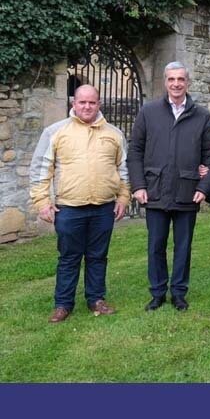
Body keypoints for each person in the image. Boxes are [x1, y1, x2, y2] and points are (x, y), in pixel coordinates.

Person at [29, 85, 130, 323]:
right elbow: (41, 169)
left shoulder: (114, 133)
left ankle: (96, 299)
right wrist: (42, 200)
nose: (87, 107)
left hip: (103, 207)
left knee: (98, 256)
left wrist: (124, 197)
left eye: (92, 103)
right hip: (69, 208)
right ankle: (63, 304)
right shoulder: (55, 132)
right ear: (74, 103)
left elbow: (124, 169)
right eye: (82, 102)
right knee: (69, 257)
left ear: (99, 104)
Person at [127, 61, 210, 312]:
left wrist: (204, 186)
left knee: (183, 246)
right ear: (165, 82)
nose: (176, 84)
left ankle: (179, 292)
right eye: (171, 79)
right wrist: (137, 185)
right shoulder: (149, 112)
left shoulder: (201, 115)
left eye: (181, 79)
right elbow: (134, 151)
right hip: (154, 190)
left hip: (187, 191)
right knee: (156, 245)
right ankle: (157, 293)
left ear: (187, 83)